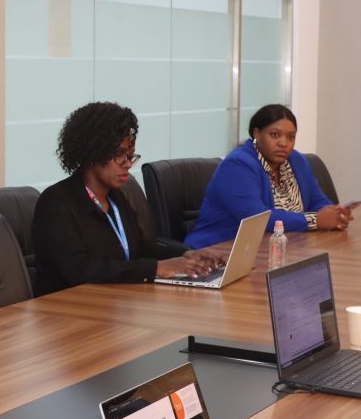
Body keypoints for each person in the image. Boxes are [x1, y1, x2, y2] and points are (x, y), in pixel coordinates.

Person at [32, 102, 222, 295]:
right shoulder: (56, 203)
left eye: (130, 156)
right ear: (92, 153)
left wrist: (185, 254)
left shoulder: (115, 198)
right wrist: (155, 269)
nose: (128, 164)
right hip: (67, 305)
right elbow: (80, 270)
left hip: (112, 300)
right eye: (119, 155)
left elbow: (140, 248)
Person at [185, 104, 352, 248]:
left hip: (278, 248)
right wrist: (315, 220)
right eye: (275, 135)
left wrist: (335, 214)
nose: (284, 143)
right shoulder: (238, 165)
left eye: (291, 137)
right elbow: (259, 219)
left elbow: (317, 201)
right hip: (220, 251)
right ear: (256, 134)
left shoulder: (297, 160)